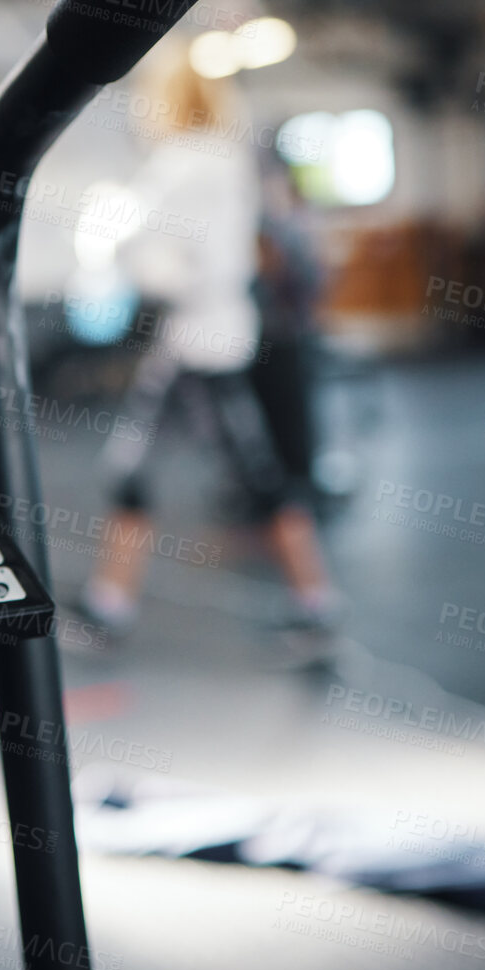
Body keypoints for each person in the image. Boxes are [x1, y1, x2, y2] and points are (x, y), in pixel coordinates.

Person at [77, 42, 344, 653]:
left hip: (202, 347)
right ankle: (108, 604)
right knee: (135, 473)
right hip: (203, 342)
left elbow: (164, 267)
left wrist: (129, 260)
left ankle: (318, 605)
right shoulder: (227, 162)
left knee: (256, 481)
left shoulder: (180, 166)